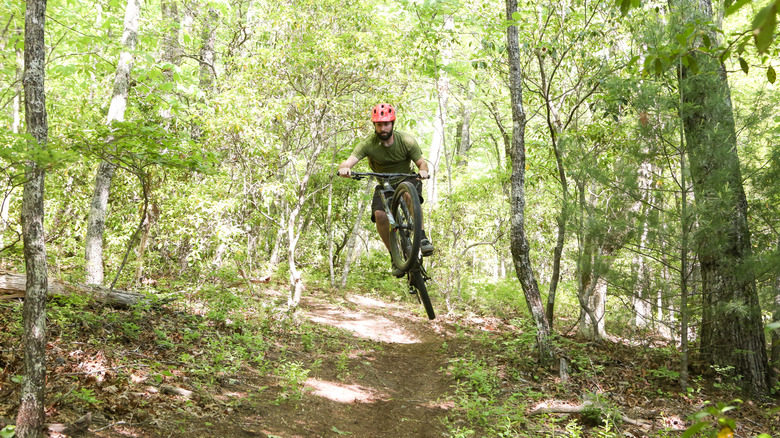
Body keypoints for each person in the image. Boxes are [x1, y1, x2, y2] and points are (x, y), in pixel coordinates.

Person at [338, 103, 434, 277]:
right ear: (374, 125)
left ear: (393, 123)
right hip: (384, 183)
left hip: (406, 178)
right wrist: (344, 168)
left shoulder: (406, 141)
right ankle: (394, 255)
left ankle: (421, 237)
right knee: (380, 216)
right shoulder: (368, 144)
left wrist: (424, 171)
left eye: (386, 124)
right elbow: (348, 161)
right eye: (379, 124)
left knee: (408, 194)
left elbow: (421, 163)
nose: (383, 128)